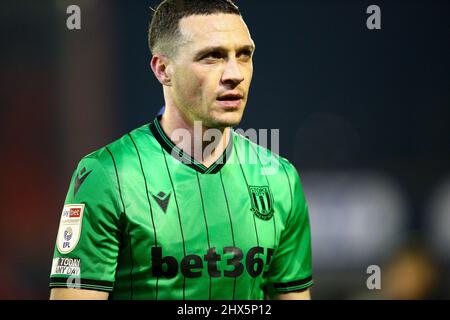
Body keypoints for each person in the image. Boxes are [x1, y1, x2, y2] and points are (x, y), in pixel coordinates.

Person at [49, 0, 313, 300]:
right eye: (211, 57)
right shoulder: (107, 175)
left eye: (243, 55)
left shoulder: (280, 180)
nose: (234, 74)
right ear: (163, 70)